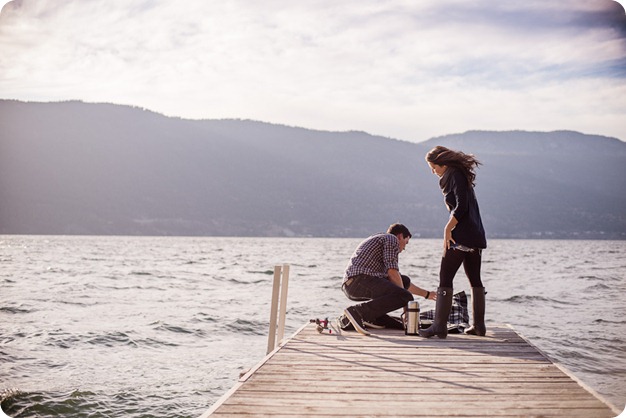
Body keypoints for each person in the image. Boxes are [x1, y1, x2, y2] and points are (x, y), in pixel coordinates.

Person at [420, 146, 487, 339]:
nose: (432, 171)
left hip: (461, 235)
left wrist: (448, 228)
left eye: (432, 167)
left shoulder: (454, 174)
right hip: (475, 235)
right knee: (475, 279)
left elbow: (461, 206)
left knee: (445, 277)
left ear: (442, 164)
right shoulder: (458, 175)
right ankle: (479, 327)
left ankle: (439, 327)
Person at [340, 223, 437, 335]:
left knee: (403, 281)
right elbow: (392, 272)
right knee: (405, 295)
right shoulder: (391, 239)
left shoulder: (380, 238)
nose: (404, 248)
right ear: (400, 236)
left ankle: (368, 317)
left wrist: (427, 294)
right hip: (359, 281)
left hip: (353, 284)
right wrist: (406, 304)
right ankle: (357, 312)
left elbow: (400, 281)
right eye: (406, 242)